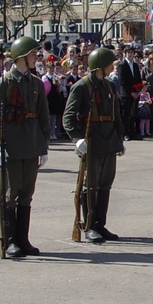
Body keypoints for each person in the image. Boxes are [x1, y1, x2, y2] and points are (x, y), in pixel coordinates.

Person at [0, 37, 51, 258]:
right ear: (21, 56)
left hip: (31, 144)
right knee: (10, 194)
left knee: (26, 194)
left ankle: (23, 239)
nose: (36, 58)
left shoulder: (35, 83)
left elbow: (43, 116)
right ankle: (11, 240)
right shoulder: (4, 83)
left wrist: (43, 146)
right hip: (12, 144)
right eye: (33, 54)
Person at [63, 46, 125, 243]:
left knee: (105, 185)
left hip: (109, 142)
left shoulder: (108, 86)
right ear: (99, 66)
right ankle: (89, 225)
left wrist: (119, 139)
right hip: (92, 143)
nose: (111, 68)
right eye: (109, 64)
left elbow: (116, 115)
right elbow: (68, 116)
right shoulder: (82, 86)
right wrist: (77, 138)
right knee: (90, 185)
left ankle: (100, 224)